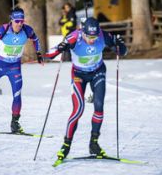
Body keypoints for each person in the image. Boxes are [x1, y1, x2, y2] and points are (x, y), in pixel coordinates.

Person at [45, 17, 127, 160]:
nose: (92, 40)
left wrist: (119, 46)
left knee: (99, 106)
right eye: (89, 36)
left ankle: (94, 144)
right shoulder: (74, 37)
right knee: (78, 109)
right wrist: (60, 48)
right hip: (79, 75)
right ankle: (66, 144)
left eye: (94, 37)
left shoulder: (103, 35)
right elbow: (49, 54)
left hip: (98, 71)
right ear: (83, 32)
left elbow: (122, 51)